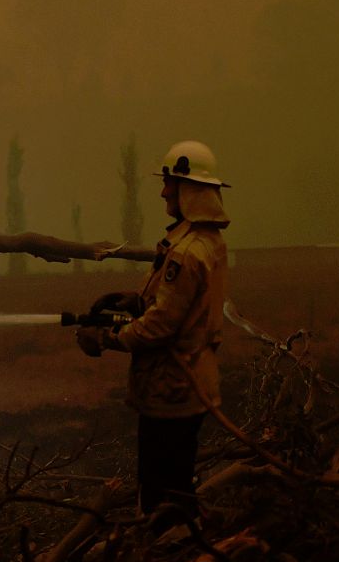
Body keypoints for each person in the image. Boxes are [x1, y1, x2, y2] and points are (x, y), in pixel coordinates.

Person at [75, 140, 231, 519]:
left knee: (161, 493)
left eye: (169, 184)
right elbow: (180, 307)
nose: (163, 192)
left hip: (173, 388)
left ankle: (167, 560)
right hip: (191, 383)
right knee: (176, 485)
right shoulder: (206, 242)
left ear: (189, 189)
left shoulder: (185, 252)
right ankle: (181, 554)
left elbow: (161, 326)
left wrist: (106, 339)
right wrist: (135, 300)